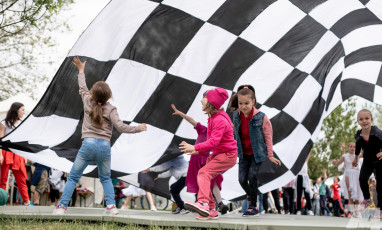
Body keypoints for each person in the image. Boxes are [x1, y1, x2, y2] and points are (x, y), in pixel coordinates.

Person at [52, 57, 147, 215]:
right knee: (105, 178)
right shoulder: (111, 109)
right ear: (109, 95)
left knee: (74, 177)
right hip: (104, 146)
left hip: (87, 145)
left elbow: (82, 87)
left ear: (92, 94)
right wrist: (139, 128)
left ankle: (61, 207)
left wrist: (81, 70)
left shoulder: (87, 101)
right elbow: (121, 127)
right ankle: (111, 207)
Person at [180, 88, 237, 220]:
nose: (201, 100)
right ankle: (211, 209)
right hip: (219, 154)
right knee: (206, 177)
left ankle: (203, 203)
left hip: (227, 155)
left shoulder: (219, 120)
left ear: (211, 101)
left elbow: (213, 142)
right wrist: (196, 150)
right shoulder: (214, 117)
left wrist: (195, 147)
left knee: (203, 173)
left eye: (204, 98)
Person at [229, 85, 281, 217]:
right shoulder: (236, 115)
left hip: (257, 154)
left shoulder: (261, 117)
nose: (243, 106)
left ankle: (253, 206)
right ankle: (251, 195)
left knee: (251, 176)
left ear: (253, 101)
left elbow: (268, 136)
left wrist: (270, 155)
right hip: (243, 154)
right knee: (241, 179)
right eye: (240, 103)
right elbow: (233, 131)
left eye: (246, 103)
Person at [170, 104, 228, 214]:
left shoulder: (216, 134)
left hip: (207, 160)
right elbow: (192, 120)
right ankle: (207, 205)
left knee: (212, 179)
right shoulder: (203, 130)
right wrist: (180, 113)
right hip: (197, 160)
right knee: (203, 183)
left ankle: (218, 203)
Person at [352, 109, 382, 219]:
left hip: (381, 161)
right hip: (368, 161)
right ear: (358, 121)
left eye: (367, 118)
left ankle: (380, 209)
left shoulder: (377, 132)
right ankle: (367, 199)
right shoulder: (358, 135)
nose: (364, 121)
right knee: (362, 179)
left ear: (371, 120)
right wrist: (356, 157)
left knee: (380, 187)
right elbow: (358, 146)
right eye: (361, 119)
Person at [0, 102, 31, 206]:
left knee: (21, 177)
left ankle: (26, 201)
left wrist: (25, 155)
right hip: (5, 151)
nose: (23, 112)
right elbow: (0, 140)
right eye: (22, 109)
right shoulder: (4, 123)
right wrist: (0, 154)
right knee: (3, 178)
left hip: (18, 153)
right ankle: (2, 201)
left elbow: (23, 141)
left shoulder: (22, 124)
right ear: (16, 110)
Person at [332, 142, 363, 217]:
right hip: (348, 174)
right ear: (348, 148)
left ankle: (357, 211)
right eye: (351, 146)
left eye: (354, 147)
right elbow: (338, 164)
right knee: (350, 194)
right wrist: (334, 163)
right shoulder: (345, 156)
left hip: (356, 174)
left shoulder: (358, 155)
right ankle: (352, 212)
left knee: (357, 193)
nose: (352, 148)